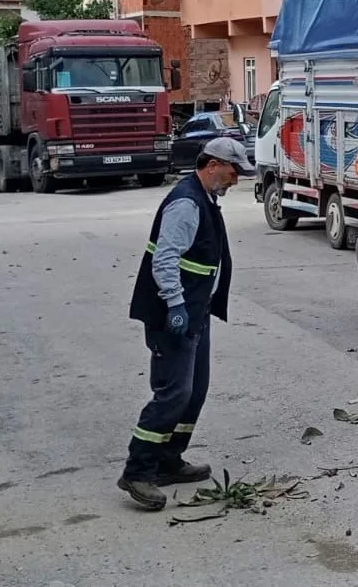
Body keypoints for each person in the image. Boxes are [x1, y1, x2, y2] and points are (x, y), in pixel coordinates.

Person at [118, 137, 255, 510]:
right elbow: (164, 259)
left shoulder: (204, 197)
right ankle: (138, 470)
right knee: (174, 392)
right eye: (232, 171)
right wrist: (176, 304)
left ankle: (168, 458)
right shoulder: (185, 203)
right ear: (211, 165)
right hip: (173, 314)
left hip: (194, 312)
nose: (235, 180)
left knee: (195, 391)